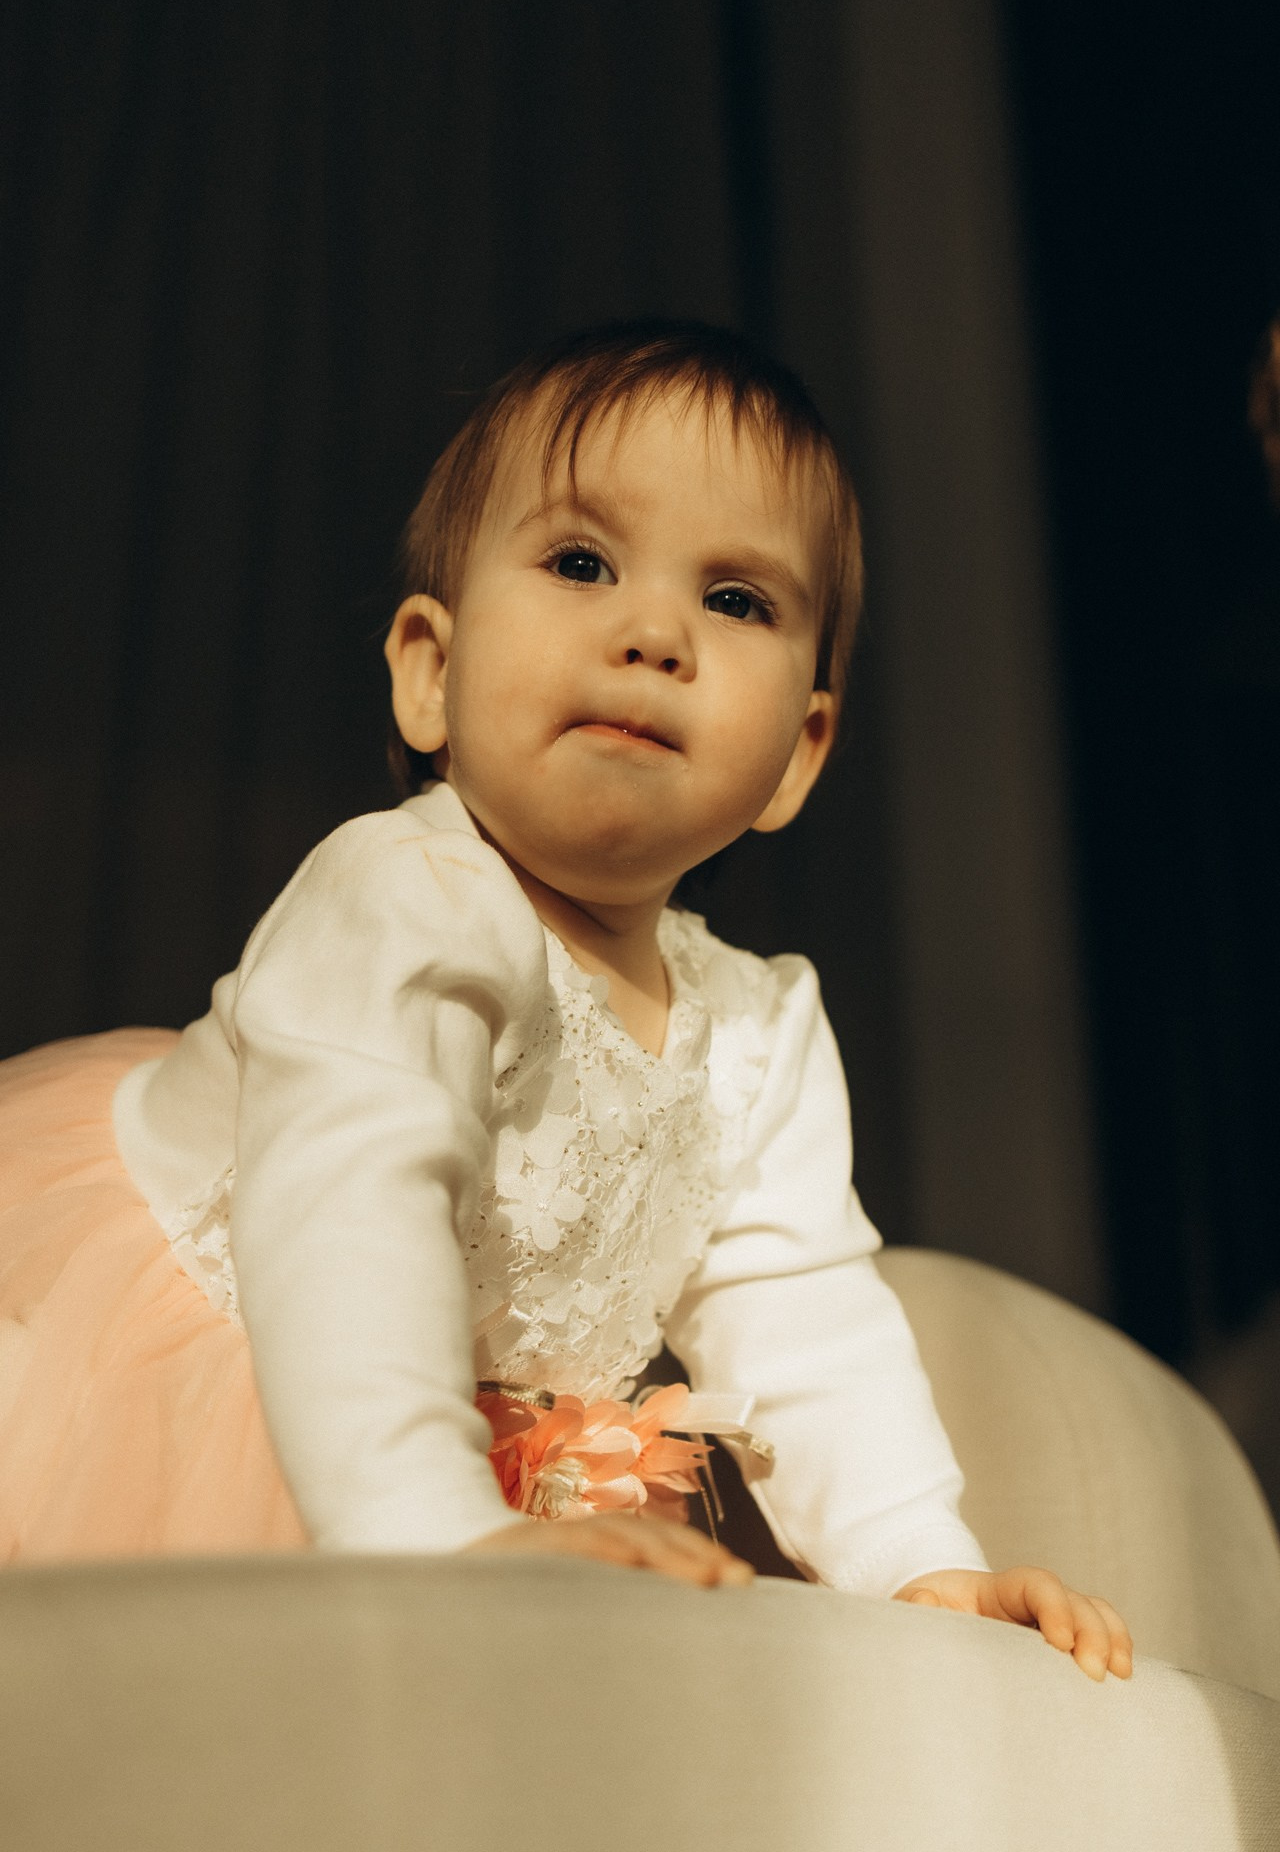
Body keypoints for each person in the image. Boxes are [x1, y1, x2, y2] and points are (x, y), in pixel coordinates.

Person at [0, 321, 1131, 1681]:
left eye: (737, 600)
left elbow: (807, 1320)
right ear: (432, 671)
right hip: (242, 1386)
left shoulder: (757, 1030)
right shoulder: (403, 899)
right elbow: (347, 1214)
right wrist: (430, 1521)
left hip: (460, 1466)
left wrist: (918, 1561)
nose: (654, 634)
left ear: (799, 754)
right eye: (583, 564)